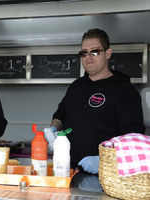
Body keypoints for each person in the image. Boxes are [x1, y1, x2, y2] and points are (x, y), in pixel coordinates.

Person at [45, 28, 145, 174]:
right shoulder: (76, 87)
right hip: (68, 170)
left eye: (95, 51)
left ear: (108, 53)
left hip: (106, 175)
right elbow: (61, 113)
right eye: (84, 52)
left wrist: (103, 161)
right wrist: (53, 129)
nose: (88, 57)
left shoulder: (126, 91)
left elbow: (132, 139)